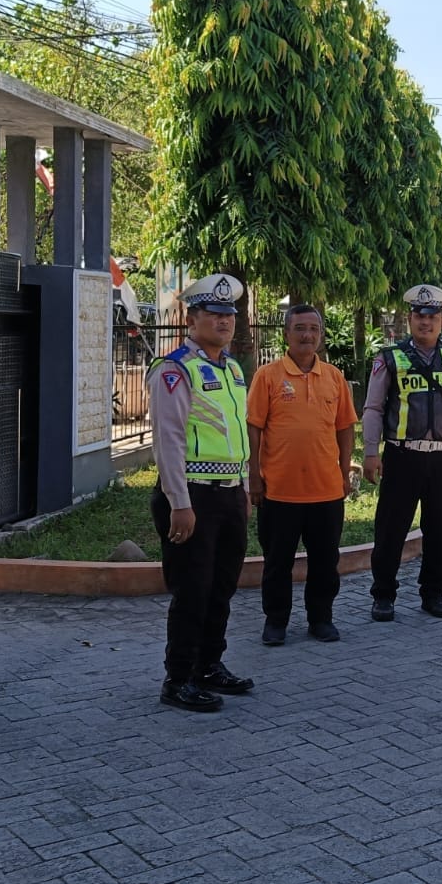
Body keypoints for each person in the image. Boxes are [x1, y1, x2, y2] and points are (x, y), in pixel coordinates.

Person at [147, 273, 256, 712]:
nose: (224, 321)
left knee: (222, 586)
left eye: (229, 314)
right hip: (193, 496)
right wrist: (179, 503)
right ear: (191, 319)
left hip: (228, 494)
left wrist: (244, 489)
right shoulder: (175, 370)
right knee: (193, 589)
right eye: (213, 314)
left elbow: (236, 436)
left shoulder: (232, 369)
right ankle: (178, 679)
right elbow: (168, 441)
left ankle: (209, 666)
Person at [362, 284, 442, 621]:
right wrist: (371, 452)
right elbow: (373, 408)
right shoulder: (390, 358)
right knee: (391, 529)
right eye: (419, 316)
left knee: (439, 529)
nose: (425, 322)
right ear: (409, 319)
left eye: (432, 316)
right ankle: (383, 595)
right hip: (402, 457)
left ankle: (434, 594)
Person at [247, 303, 358, 646]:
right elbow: (253, 428)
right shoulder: (267, 376)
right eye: (300, 328)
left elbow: (345, 427)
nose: (307, 335)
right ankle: (275, 621)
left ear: (321, 335)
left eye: (314, 329)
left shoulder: (334, 377)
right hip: (279, 490)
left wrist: (344, 471)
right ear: (286, 334)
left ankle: (321, 619)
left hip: (326, 490)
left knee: (325, 562)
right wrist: (254, 476)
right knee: (277, 562)